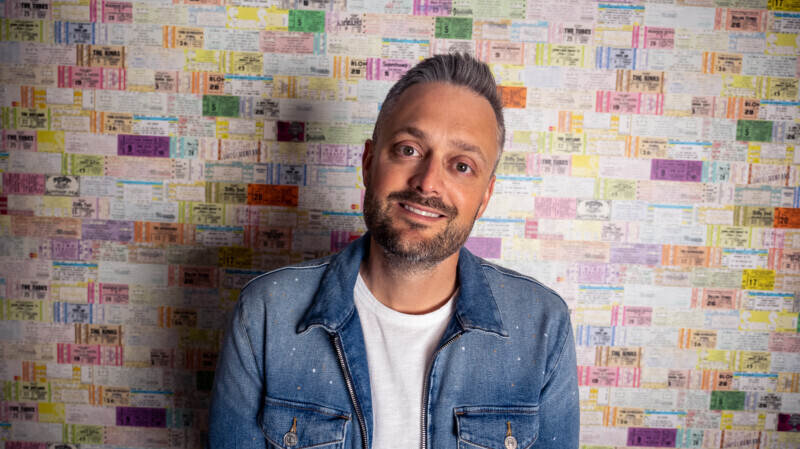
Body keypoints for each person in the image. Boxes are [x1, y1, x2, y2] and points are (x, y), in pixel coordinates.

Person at [208, 53, 579, 449]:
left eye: (462, 166)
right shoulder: (266, 314)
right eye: (409, 150)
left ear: (485, 196)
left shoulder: (542, 325)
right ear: (369, 163)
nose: (427, 182)